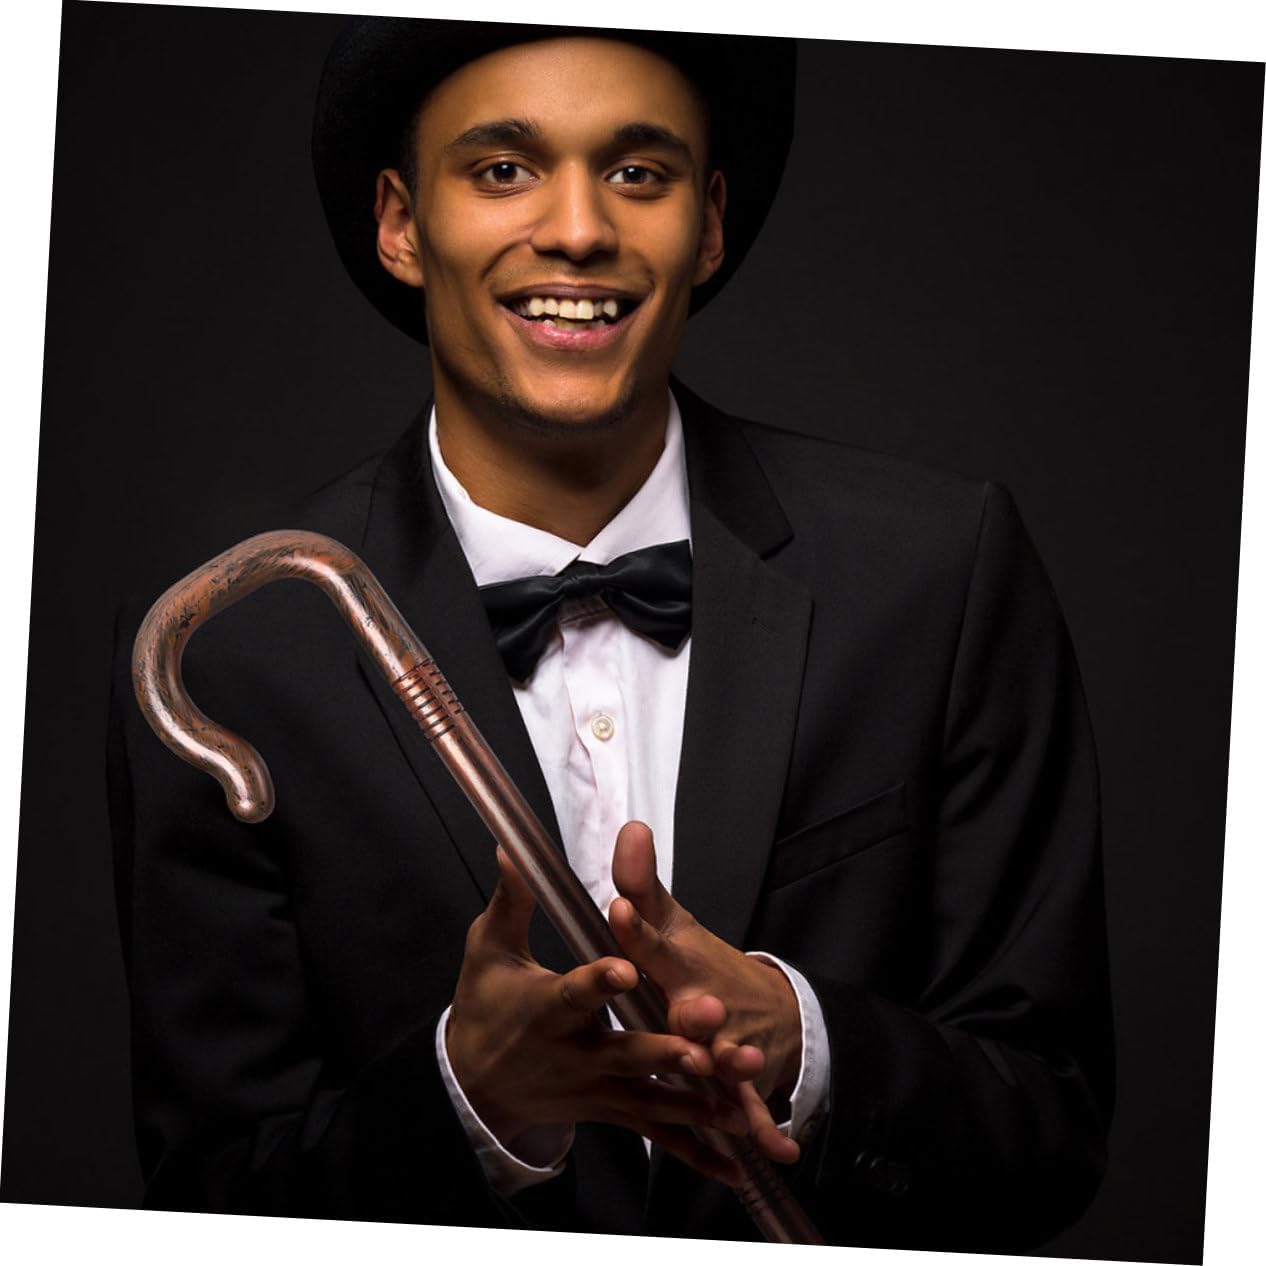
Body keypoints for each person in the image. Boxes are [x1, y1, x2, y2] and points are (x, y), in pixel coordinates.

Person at [107, 16, 1113, 1252]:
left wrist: (806, 1040)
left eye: (638, 171)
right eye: (503, 168)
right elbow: (209, 1200)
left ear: (711, 223)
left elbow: (1052, 1122)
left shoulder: (941, 572)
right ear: (402, 224)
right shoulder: (235, 656)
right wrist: (471, 1100)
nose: (580, 228)